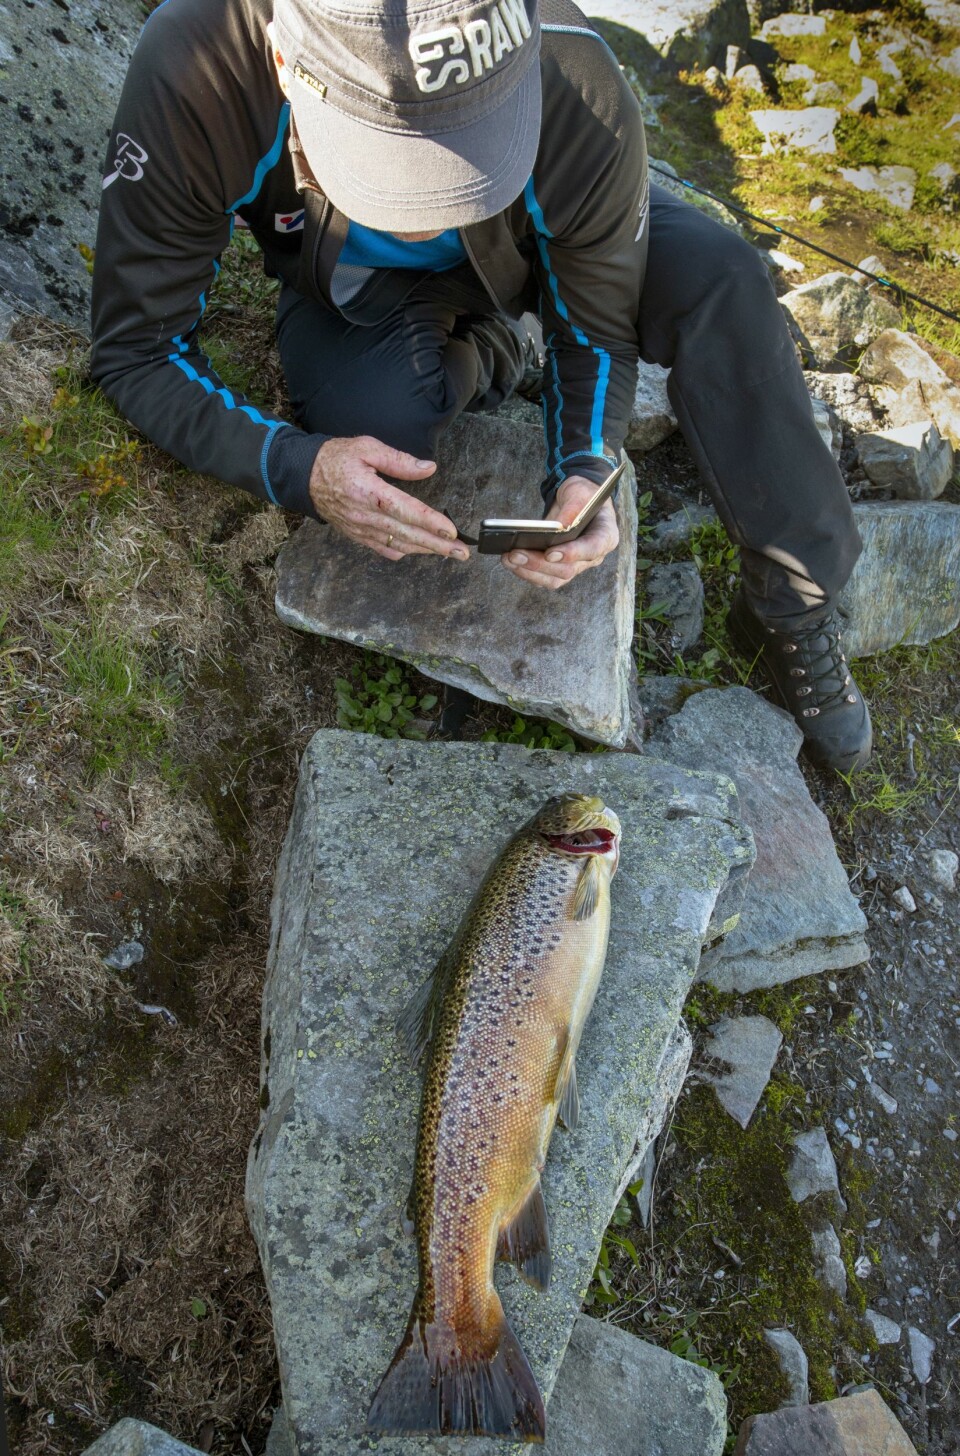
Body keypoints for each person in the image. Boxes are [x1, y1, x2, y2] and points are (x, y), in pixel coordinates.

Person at [90, 0, 872, 773]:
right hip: (360, 292)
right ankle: (497, 347)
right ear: (292, 71)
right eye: (397, 173)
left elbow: (598, 327)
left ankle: (792, 604)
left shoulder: (573, 79)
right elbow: (138, 350)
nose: (437, 211)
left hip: (534, 244)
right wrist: (300, 467)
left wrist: (586, 464)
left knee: (724, 280)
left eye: (474, 154)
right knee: (377, 423)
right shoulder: (201, 62)